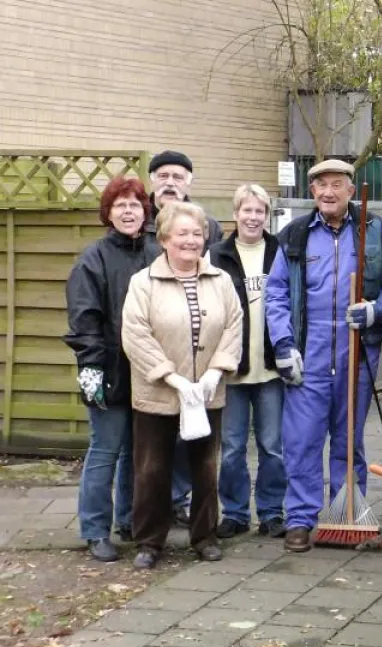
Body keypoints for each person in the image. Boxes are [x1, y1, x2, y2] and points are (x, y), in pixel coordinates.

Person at [264, 159, 382, 554]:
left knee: (348, 439)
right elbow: (276, 295)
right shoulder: (295, 235)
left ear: (351, 191)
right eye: (320, 185)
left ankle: (347, 515)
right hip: (310, 350)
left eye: (336, 184)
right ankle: (301, 518)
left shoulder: (373, 231)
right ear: (313, 192)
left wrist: (376, 309)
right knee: (302, 441)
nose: (328, 192)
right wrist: (284, 346)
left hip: (357, 350)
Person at [121, 201, 243, 569]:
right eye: (182, 234)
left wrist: (213, 374)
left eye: (197, 233)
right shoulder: (143, 283)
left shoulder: (221, 281)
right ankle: (149, 541)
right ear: (163, 240)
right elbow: (135, 335)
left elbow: (234, 327)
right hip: (158, 393)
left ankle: (204, 536)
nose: (191, 241)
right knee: (151, 468)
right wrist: (171, 377)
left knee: (206, 467)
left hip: (207, 392)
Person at [63, 176, 160, 563]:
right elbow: (84, 319)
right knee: (105, 450)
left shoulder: (157, 253)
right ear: (108, 212)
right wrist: (91, 371)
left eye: (134, 204)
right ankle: (95, 529)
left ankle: (130, 521)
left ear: (144, 211)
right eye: (119, 205)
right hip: (108, 371)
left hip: (150, 372)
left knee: (139, 454)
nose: (127, 211)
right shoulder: (92, 260)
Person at [146, 149, 224, 526]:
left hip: (204, 370)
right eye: (163, 175)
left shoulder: (207, 226)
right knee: (149, 458)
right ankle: (144, 526)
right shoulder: (133, 224)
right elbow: (135, 322)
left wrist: (214, 371)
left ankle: (198, 525)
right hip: (153, 372)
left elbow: (228, 314)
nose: (170, 182)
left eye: (178, 176)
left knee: (200, 456)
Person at [208, 184, 287, 539]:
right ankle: (236, 512)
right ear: (235, 213)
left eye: (260, 212)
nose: (253, 217)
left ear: (267, 216)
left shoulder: (280, 251)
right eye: (247, 210)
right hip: (233, 371)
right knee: (232, 449)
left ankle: (271, 511)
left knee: (273, 447)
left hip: (270, 369)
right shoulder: (216, 255)